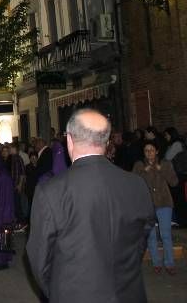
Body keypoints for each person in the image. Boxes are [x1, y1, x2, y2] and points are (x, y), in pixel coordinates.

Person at [27, 109, 154, 303]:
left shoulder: (50, 191)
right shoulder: (136, 184)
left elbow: (39, 258)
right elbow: (142, 237)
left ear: (69, 140)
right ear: (106, 141)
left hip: (75, 294)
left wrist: (59, 290)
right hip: (128, 293)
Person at [133, 140, 178, 274]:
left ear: (157, 151)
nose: (149, 153)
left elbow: (174, 182)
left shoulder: (165, 163)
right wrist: (143, 172)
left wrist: (162, 169)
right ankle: (156, 263)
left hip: (164, 203)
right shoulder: (139, 165)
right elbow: (132, 183)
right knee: (151, 235)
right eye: (146, 150)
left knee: (166, 234)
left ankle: (169, 263)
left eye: (151, 150)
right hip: (147, 204)